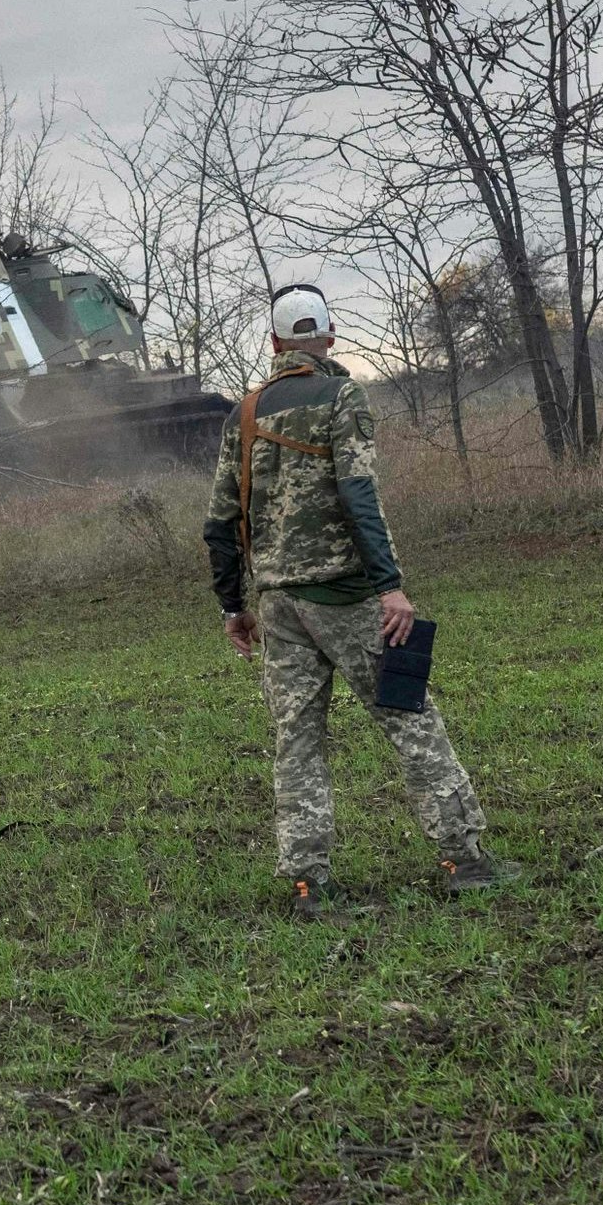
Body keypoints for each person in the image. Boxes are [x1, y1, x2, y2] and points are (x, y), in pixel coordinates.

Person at [204, 284, 510, 916]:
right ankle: (465, 858)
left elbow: (218, 521)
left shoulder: (245, 412)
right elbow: (359, 494)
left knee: (298, 741)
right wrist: (389, 585)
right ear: (330, 339)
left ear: (275, 344)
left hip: (280, 604)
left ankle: (307, 881)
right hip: (345, 596)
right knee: (410, 716)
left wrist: (234, 607)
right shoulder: (344, 395)